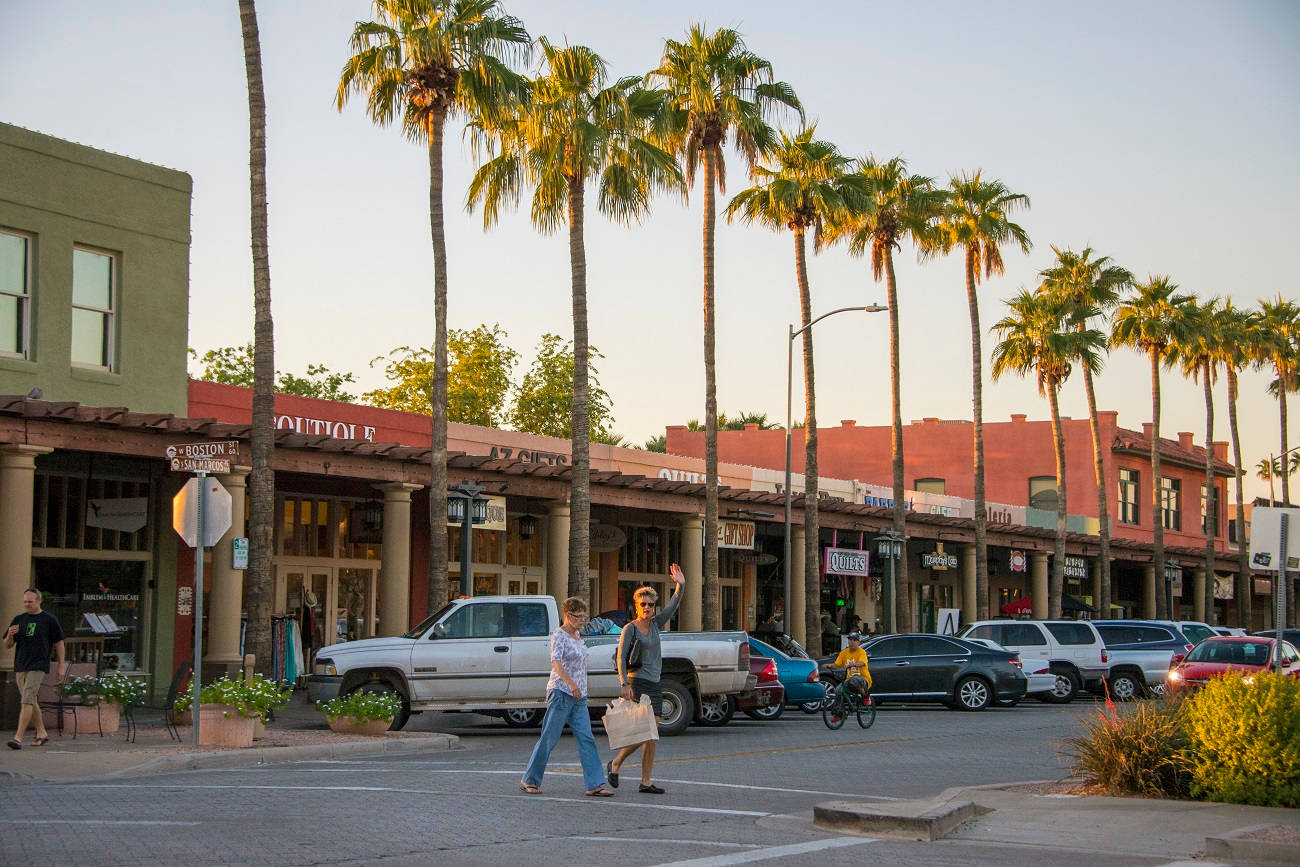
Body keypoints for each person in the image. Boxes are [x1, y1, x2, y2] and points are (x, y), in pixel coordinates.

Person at [520, 597, 615, 797]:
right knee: (549, 738)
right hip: (561, 692)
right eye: (578, 616)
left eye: (583, 616)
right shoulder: (559, 636)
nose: (582, 620)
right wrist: (571, 684)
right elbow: (556, 663)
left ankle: (595, 783)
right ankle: (530, 779)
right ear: (567, 615)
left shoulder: (578, 636)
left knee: (586, 738)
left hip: (579, 696)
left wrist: (580, 687)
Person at [607, 563, 685, 795]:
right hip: (638, 681)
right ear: (637, 606)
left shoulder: (655, 625)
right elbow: (621, 658)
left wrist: (680, 585)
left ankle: (645, 780)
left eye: (651, 604)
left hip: (655, 683)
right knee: (645, 731)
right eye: (643, 604)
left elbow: (673, 606)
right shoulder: (630, 628)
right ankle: (617, 763)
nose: (648, 608)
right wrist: (624, 684)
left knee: (651, 734)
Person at [6, 588, 67, 749]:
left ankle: (18, 738)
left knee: (26, 700)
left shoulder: (49, 619)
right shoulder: (19, 619)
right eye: (25, 601)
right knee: (31, 699)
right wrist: (10, 635)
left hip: (38, 664)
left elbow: (59, 643)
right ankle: (41, 732)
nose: (27, 604)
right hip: (20, 665)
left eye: (30, 602)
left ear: (39, 601)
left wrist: (61, 665)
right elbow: (8, 645)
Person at [829, 633, 871, 723]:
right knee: (838, 690)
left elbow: (862, 663)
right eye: (850, 640)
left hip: (862, 679)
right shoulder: (844, 652)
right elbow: (837, 664)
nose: (851, 642)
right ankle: (839, 714)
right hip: (849, 680)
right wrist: (829, 666)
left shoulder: (861, 652)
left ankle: (865, 695)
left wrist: (854, 664)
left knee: (854, 679)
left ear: (858, 642)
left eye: (854, 640)